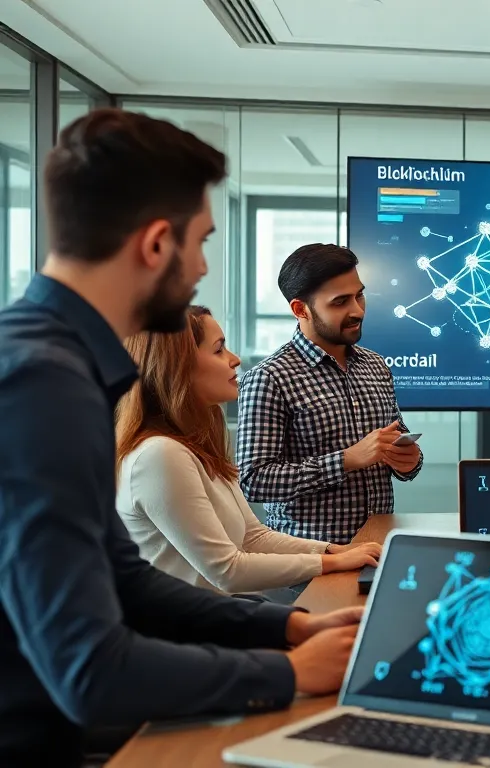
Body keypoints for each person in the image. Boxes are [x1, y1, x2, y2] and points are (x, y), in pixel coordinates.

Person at [0, 109, 359, 766]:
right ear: (156, 244)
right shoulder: (42, 386)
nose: (200, 267)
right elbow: (89, 671)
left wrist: (290, 625)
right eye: (202, 242)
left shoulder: (51, 361)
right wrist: (291, 673)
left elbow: (124, 578)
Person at [115, 305, 383, 594]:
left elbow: (253, 538)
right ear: (177, 366)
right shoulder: (158, 455)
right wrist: (329, 563)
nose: (234, 359)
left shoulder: (194, 447)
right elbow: (227, 571)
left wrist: (336, 551)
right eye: (219, 350)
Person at [236, 243, 423, 545]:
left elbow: (396, 444)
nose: (357, 310)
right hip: (310, 561)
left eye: (359, 295)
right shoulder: (269, 378)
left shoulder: (375, 365)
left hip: (377, 548)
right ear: (300, 309)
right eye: (340, 302)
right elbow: (253, 481)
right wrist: (346, 460)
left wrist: (409, 461)